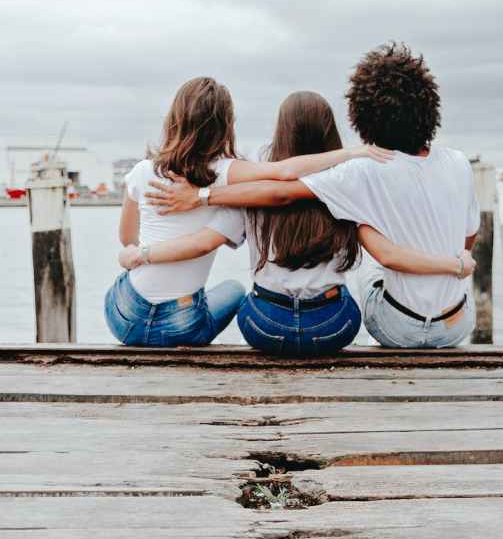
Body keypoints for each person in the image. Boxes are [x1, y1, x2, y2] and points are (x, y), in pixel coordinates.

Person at [144, 44, 480, 349]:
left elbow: (279, 193)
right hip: (395, 327)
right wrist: (454, 263)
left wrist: (202, 196)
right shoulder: (458, 163)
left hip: (270, 328)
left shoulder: (355, 176)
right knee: (370, 262)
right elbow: (467, 240)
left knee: (367, 267)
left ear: (364, 116)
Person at [105, 77, 394, 346]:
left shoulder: (142, 171)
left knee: (228, 290)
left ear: (174, 118)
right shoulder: (230, 174)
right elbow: (285, 173)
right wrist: (352, 152)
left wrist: (139, 254)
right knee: (233, 289)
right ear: (226, 125)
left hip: (126, 314)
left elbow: (127, 237)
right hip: (326, 327)